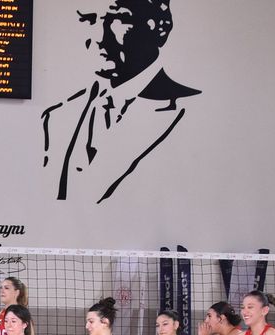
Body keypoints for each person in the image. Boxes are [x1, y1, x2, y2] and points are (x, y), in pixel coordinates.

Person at [41, 0, 200, 203]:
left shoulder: (194, 113)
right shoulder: (56, 117)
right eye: (89, 19)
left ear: (160, 27)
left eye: (118, 19)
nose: (99, 38)